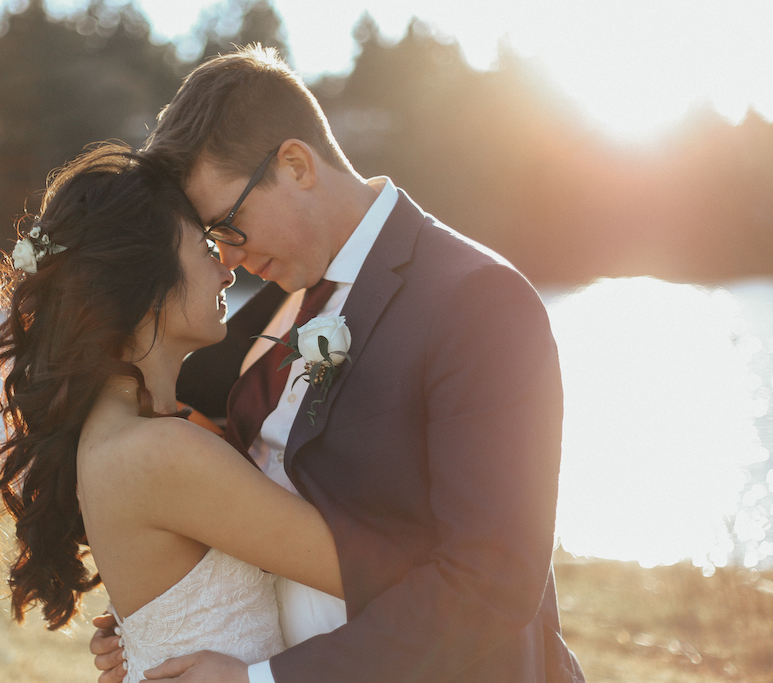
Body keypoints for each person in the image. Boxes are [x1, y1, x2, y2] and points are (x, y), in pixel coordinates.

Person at [91, 46, 584, 683]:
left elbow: (490, 584)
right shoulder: (277, 301)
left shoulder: (477, 300)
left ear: (295, 164)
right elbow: (253, 487)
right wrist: (165, 609)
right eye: (214, 241)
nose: (230, 260)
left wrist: (262, 682)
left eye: (230, 226)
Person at [0, 143, 345, 683]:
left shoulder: (124, 434)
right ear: (147, 284)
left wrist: (142, 634)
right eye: (203, 247)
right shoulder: (160, 453)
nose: (226, 268)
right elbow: (362, 568)